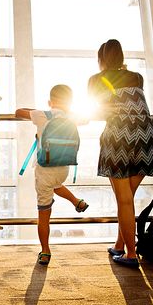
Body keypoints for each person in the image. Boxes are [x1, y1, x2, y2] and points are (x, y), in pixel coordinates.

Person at [87, 39, 153, 268]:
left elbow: (97, 112)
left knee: (124, 200)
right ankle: (120, 244)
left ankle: (130, 254)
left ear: (101, 59)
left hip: (119, 138)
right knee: (126, 199)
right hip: (146, 137)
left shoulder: (96, 80)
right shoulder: (137, 78)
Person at [15, 84, 89, 266]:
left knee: (44, 215)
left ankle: (45, 251)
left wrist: (42, 110)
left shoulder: (42, 115)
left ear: (50, 102)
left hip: (44, 169)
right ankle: (76, 202)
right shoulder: (73, 117)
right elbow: (86, 119)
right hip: (64, 167)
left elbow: (18, 111)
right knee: (56, 185)